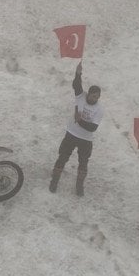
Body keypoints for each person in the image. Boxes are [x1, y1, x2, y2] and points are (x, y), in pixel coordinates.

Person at [49, 61, 103, 196]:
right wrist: (78, 72)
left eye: (96, 96)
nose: (93, 98)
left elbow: (93, 128)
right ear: (88, 93)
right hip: (71, 134)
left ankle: (79, 186)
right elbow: (76, 84)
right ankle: (54, 181)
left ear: (99, 97)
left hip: (86, 139)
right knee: (62, 157)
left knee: (83, 163)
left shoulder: (100, 109)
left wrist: (79, 120)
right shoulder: (81, 96)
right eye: (91, 95)